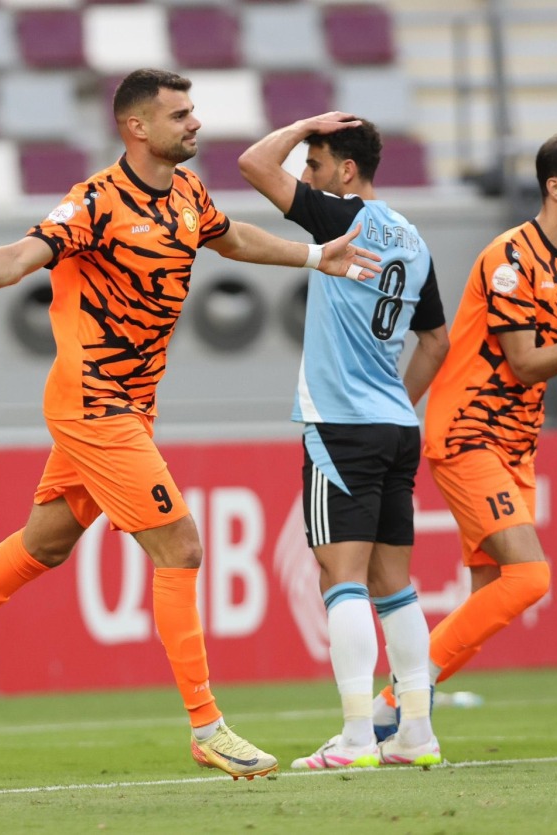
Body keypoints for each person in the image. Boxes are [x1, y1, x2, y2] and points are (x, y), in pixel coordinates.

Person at [0, 68, 381, 781]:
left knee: (45, 543)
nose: (195, 123)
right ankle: (206, 726)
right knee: (181, 546)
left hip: (132, 405)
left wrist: (313, 256)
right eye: (180, 114)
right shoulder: (95, 201)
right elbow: (24, 253)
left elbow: (232, 237)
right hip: (93, 403)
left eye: (194, 110)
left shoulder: (187, 193)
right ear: (137, 127)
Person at [369, 133, 557, 736]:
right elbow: (526, 364)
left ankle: (398, 716)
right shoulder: (509, 259)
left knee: (492, 595)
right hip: (468, 432)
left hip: (516, 448)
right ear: (555, 188)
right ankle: (398, 702)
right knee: (531, 577)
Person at [238, 113, 450, 768]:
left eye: (316, 163)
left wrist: (303, 124)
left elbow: (253, 164)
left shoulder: (340, 218)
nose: (307, 175)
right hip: (396, 426)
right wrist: (395, 403)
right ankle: (416, 734)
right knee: (396, 585)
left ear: (346, 171)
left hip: (341, 425)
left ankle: (358, 737)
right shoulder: (413, 238)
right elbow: (436, 341)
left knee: (342, 577)